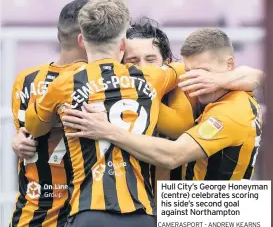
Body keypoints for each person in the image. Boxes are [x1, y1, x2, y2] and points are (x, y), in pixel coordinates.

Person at [24, 0, 189, 227]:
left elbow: (35, 127)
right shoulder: (152, 78)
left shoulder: (62, 84)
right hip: (142, 214)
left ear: (82, 40)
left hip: (89, 215)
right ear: (123, 45)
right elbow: (181, 68)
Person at [62, 27, 262, 183]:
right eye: (132, 62)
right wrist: (30, 138)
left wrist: (219, 80)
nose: (143, 69)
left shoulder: (194, 90)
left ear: (166, 63)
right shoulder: (103, 97)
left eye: (150, 60)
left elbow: (259, 76)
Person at [9, 0, 88, 227]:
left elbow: (25, 139)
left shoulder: (26, 79)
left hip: (31, 215)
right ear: (86, 38)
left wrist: (17, 142)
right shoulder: (98, 79)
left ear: (58, 34)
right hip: (88, 211)